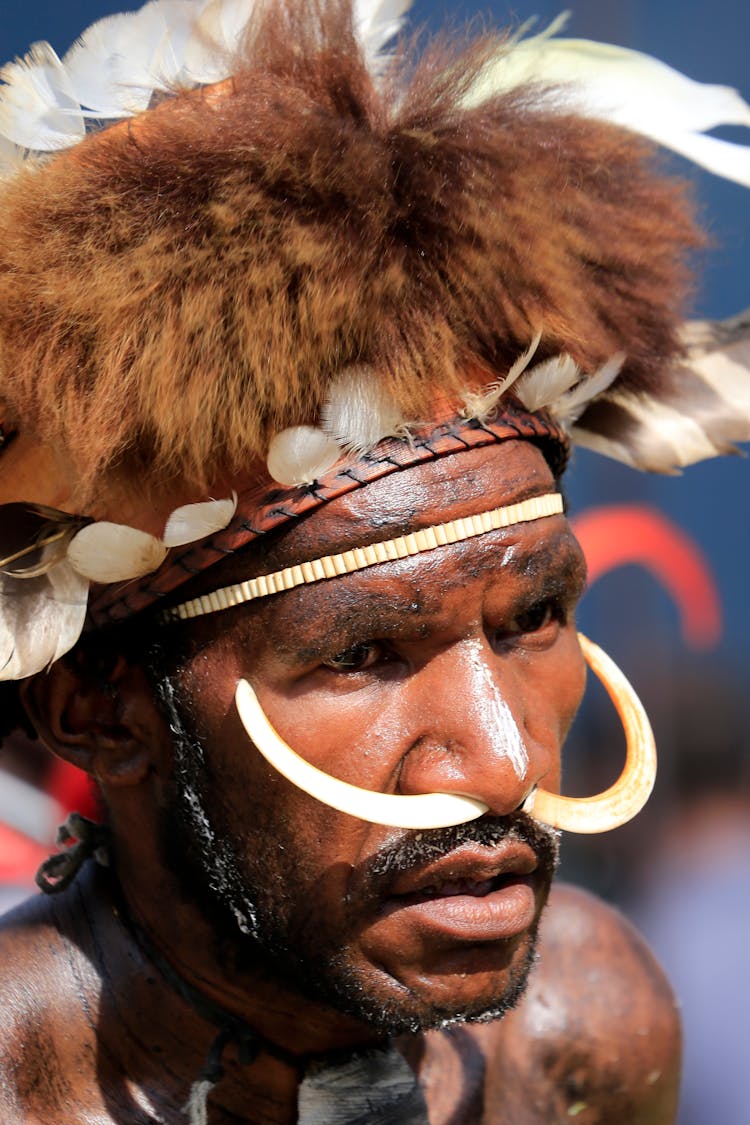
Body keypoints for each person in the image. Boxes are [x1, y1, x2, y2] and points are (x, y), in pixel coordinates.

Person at [0, 1, 748, 1121]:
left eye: (534, 615)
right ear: (99, 713)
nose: (500, 771)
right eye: (362, 655)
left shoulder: (587, 1029)